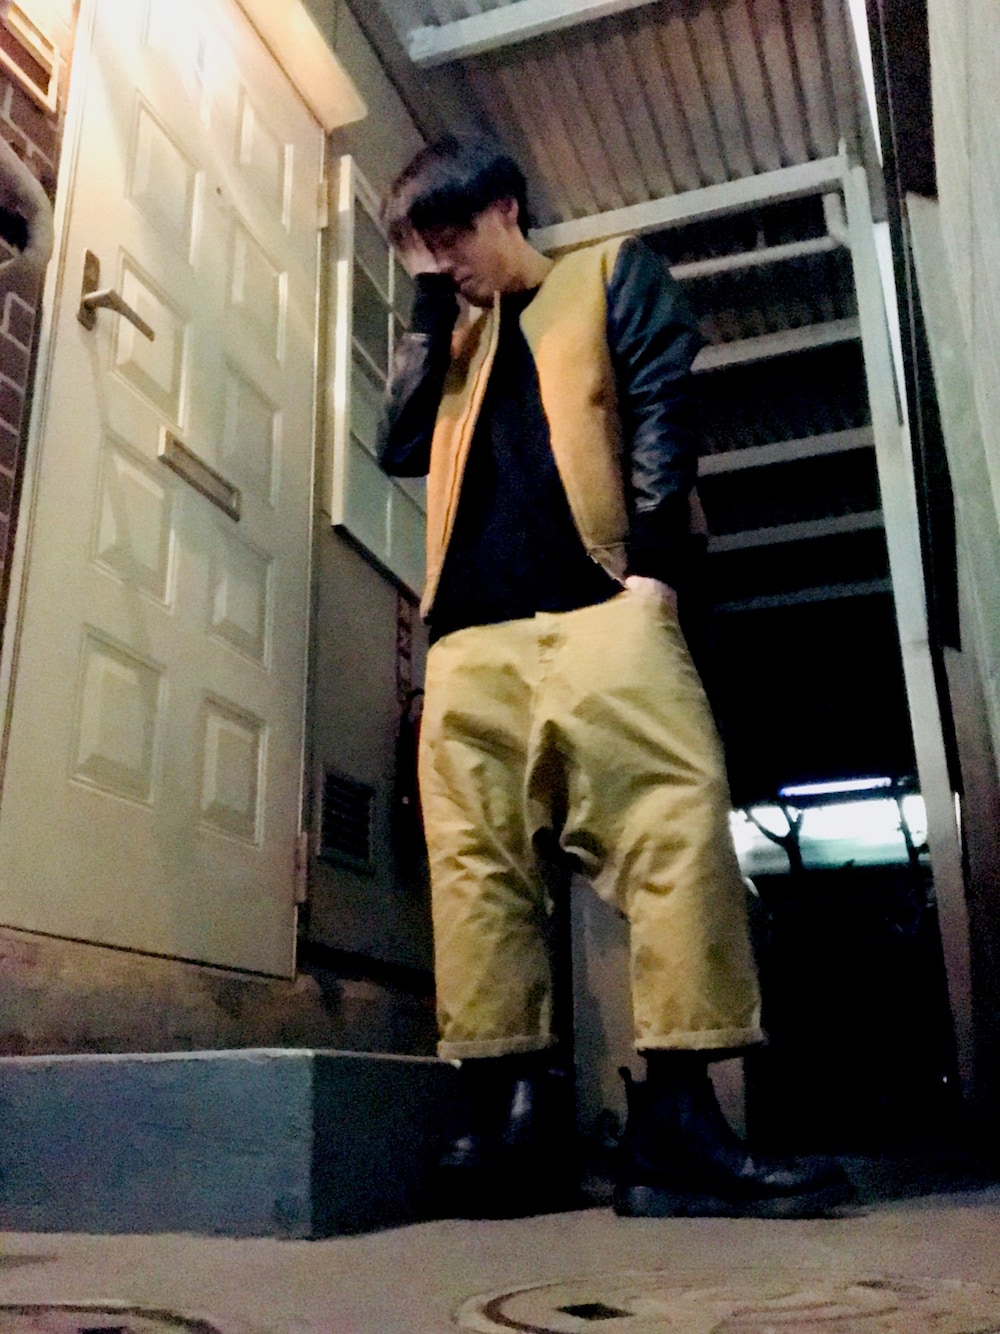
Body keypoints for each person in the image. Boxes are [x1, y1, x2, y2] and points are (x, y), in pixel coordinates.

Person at [377, 133, 850, 1219]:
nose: (445, 260)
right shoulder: (451, 341)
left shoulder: (607, 272)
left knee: (676, 828)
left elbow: (660, 409)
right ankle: (504, 1123)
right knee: (477, 873)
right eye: (424, 248)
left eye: (452, 235)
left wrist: (656, 574)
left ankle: (678, 1122)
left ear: (505, 206)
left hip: (605, 610)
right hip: (470, 643)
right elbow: (399, 444)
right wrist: (426, 304)